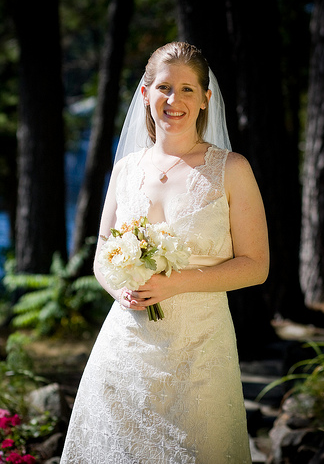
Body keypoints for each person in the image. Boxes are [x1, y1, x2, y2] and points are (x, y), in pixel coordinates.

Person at [60, 41, 269, 463]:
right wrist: (117, 289)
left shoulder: (232, 169)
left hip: (199, 351)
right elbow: (103, 250)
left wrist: (177, 284)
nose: (174, 100)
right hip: (125, 346)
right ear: (145, 93)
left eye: (188, 90)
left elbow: (256, 266)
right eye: (164, 88)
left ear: (206, 99)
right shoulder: (126, 169)